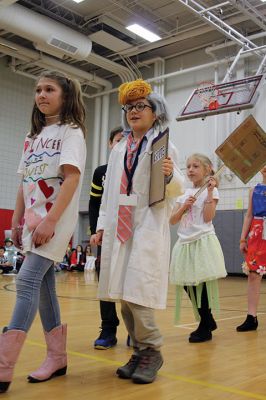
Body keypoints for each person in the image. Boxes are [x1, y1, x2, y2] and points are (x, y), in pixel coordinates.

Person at [91, 79, 184, 384]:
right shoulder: (119, 149)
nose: (133, 111)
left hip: (147, 225)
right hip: (120, 226)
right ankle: (139, 351)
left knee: (138, 293)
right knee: (122, 295)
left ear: (155, 111)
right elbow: (107, 196)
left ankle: (153, 349)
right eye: (128, 107)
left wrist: (171, 177)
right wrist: (102, 226)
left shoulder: (164, 145)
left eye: (140, 106)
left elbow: (177, 189)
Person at [0, 70, 86, 393]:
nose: (41, 95)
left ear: (64, 96)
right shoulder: (31, 137)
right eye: (37, 90)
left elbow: (73, 178)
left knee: (25, 280)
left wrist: (51, 221)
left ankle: (3, 366)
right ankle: (58, 357)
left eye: (49, 89)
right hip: (33, 218)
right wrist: (16, 217)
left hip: (55, 218)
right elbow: (24, 182)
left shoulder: (72, 132)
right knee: (45, 286)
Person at [169, 153, 227, 343]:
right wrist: (183, 206)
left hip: (202, 240)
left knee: (200, 284)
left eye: (196, 166)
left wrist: (210, 192)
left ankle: (205, 326)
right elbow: (172, 220)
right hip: (184, 242)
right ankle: (208, 319)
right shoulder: (183, 193)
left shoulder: (212, 191)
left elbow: (209, 217)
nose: (191, 170)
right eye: (188, 166)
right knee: (186, 283)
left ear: (207, 169)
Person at [89, 126, 123, 349]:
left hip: (130, 234)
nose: (121, 145)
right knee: (105, 280)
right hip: (107, 233)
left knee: (130, 281)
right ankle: (108, 327)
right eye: (117, 141)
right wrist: (95, 230)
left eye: (125, 141)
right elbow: (94, 203)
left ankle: (136, 330)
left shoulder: (135, 168)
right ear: (110, 144)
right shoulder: (101, 172)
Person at [236, 165, 266, 332]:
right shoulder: (254, 190)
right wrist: (243, 238)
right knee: (253, 274)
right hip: (257, 233)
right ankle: (251, 317)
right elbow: (248, 215)